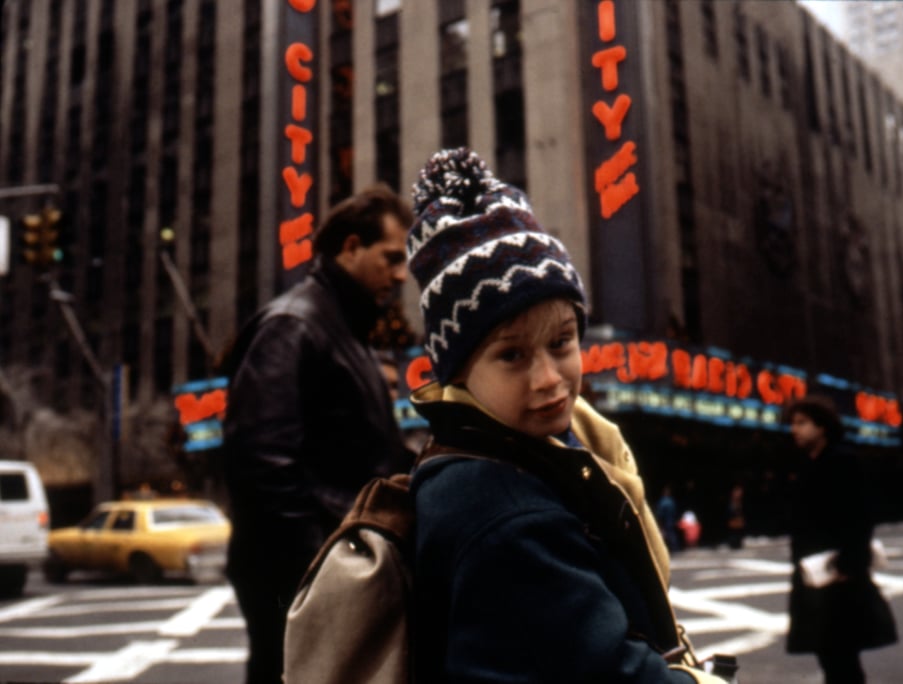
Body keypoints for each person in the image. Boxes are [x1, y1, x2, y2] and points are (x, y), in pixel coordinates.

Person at [406, 148, 710, 682]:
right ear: (457, 369)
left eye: (562, 342)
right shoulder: (505, 513)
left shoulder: (542, 453)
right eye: (512, 355)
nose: (548, 377)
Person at [222, 184, 415, 684]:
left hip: (336, 567)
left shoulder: (342, 331)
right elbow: (261, 463)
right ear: (350, 247)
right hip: (308, 573)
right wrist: (318, 566)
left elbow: (374, 457)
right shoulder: (294, 325)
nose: (400, 275)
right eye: (391, 257)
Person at [784, 395, 897, 684]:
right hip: (815, 573)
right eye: (792, 423)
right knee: (830, 653)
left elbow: (860, 516)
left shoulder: (842, 461)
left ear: (821, 427)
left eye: (801, 423)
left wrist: (850, 564)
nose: (794, 430)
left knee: (840, 655)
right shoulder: (807, 465)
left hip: (840, 574)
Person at [656, 485, 681, 551]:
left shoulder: (662, 501)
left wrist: (659, 522)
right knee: (672, 534)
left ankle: (665, 548)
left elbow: (660, 513)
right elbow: (675, 511)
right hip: (671, 520)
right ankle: (674, 547)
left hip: (665, 521)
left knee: (665, 534)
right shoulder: (672, 501)